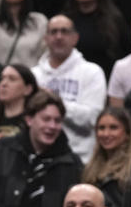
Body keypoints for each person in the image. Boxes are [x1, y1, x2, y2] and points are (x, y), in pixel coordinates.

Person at [32, 15, 107, 163]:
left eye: (64, 31)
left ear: (75, 38)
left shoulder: (91, 72)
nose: (58, 37)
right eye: (53, 32)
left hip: (80, 157)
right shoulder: (34, 75)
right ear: (45, 38)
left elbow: (93, 118)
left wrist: (54, 101)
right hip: (39, 157)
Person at [62, 0, 131, 78]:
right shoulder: (64, 21)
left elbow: (127, 54)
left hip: (107, 82)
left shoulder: (115, 19)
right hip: (71, 82)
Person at [82, 108, 131, 207]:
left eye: (113, 128)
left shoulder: (130, 169)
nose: (106, 133)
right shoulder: (89, 169)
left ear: (127, 133)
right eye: (101, 128)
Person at [0, 64, 37, 141]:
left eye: (12, 79)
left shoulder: (32, 125)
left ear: (27, 89)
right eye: (2, 78)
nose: (4, 84)